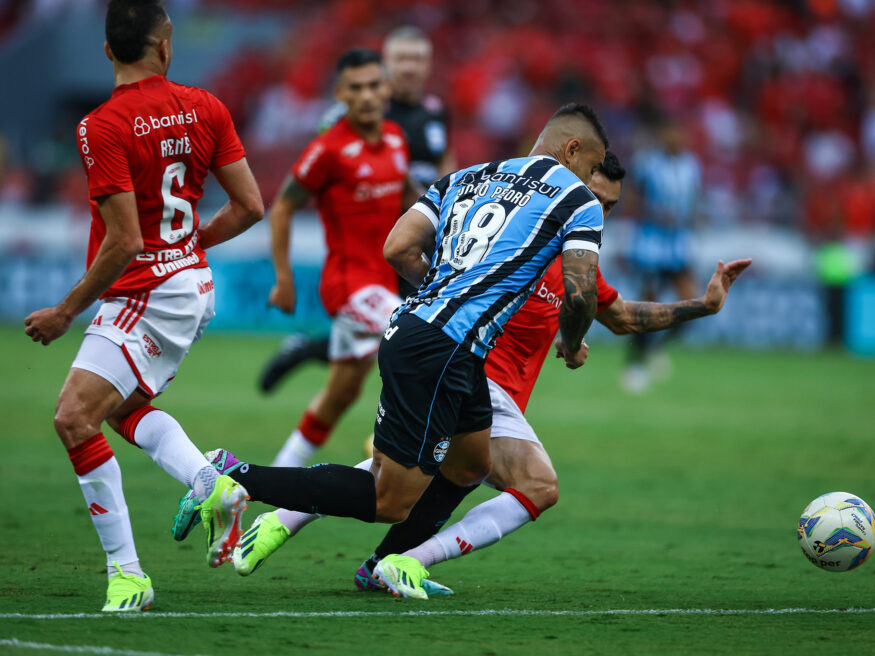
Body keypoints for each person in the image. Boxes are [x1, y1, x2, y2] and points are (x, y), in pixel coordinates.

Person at [212, 153, 751, 598]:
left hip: (471, 381)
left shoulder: (576, 261)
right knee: (534, 486)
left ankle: (315, 534)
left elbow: (623, 315)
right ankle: (399, 558)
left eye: (609, 207)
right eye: (598, 201)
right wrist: (569, 333)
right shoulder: (518, 245)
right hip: (467, 370)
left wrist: (703, 307)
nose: (600, 215)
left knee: (442, 470)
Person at [174, 103, 610, 595]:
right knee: (389, 498)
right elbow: (579, 292)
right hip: (443, 349)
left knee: (471, 464)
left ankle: (389, 565)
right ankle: (234, 474)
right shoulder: (578, 199)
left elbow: (397, 247)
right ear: (572, 149)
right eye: (592, 165)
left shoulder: (466, 177)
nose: (591, 177)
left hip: (429, 337)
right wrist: (572, 345)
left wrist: (444, 292)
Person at [23, 0, 262, 612]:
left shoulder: (99, 126)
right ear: (167, 44)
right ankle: (211, 484)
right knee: (125, 409)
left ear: (107, 51)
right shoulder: (206, 106)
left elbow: (126, 241)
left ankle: (127, 576)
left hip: (146, 292)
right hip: (189, 285)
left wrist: (66, 310)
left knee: (73, 418)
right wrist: (189, 244)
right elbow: (250, 208)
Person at [259, 25, 455, 392]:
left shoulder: (435, 112)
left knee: (377, 352)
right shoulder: (356, 115)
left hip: (422, 236)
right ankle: (402, 432)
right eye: (402, 59)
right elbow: (327, 168)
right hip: (377, 243)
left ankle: (310, 348)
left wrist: (449, 215)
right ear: (387, 66)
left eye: (418, 59)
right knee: (413, 338)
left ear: (428, 65)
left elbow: (445, 164)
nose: (410, 68)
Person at [262, 49, 421, 470]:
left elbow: (410, 196)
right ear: (340, 93)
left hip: (383, 284)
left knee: (340, 395)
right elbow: (282, 206)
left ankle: (270, 480)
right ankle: (397, 445)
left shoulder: (395, 140)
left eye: (374, 85)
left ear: (387, 89)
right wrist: (283, 277)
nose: (367, 95)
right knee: (423, 339)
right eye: (357, 87)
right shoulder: (327, 150)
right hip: (348, 286)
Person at [623, 115, 704, 392]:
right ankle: (633, 365)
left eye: (679, 132)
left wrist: (693, 218)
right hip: (650, 245)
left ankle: (654, 349)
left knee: (693, 303)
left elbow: (694, 200)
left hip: (679, 245)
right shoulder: (648, 164)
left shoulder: (691, 165)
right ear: (661, 134)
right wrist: (658, 215)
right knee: (647, 306)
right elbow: (632, 201)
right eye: (670, 132)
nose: (676, 138)